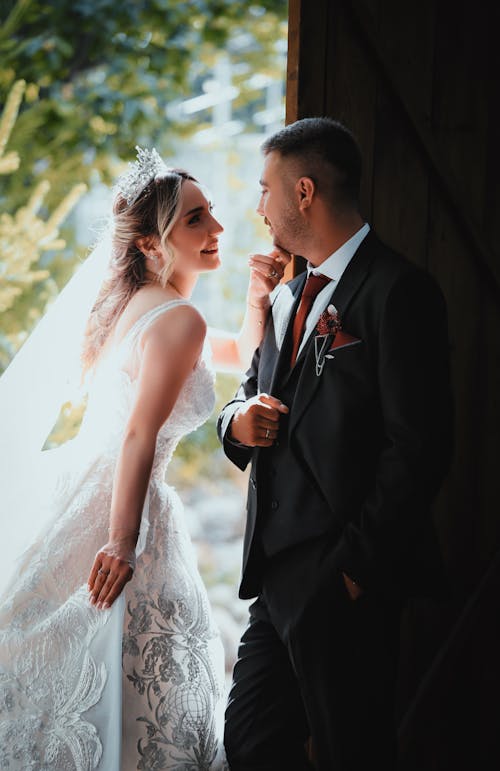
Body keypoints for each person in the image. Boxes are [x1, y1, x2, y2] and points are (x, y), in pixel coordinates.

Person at [0, 147, 289, 770]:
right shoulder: (176, 317)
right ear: (153, 246)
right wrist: (123, 541)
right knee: (124, 664)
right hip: (123, 507)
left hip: (87, 491)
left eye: (210, 212)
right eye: (194, 220)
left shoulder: (142, 308)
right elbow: (138, 435)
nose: (216, 228)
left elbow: (237, 348)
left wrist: (257, 296)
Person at [217, 117, 454, 771]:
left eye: (265, 189)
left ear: (303, 191)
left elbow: (421, 445)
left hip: (344, 577)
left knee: (355, 751)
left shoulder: (398, 290)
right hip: (274, 578)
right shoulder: (287, 295)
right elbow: (242, 394)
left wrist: (354, 570)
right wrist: (234, 423)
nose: (258, 205)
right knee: (252, 743)